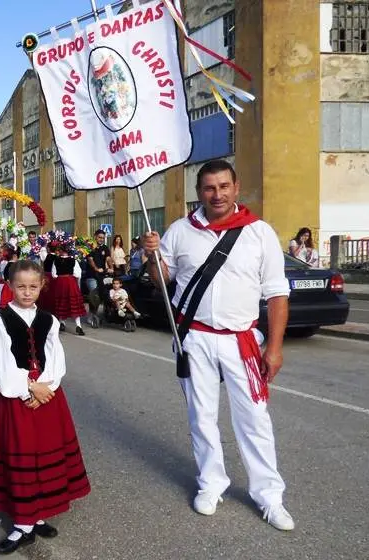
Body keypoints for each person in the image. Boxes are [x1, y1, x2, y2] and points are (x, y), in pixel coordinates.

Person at [143, 159, 294, 531]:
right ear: (199, 193)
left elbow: (277, 295)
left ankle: (269, 495)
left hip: (243, 341)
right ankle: (211, 483)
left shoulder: (259, 233)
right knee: (202, 416)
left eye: (223, 186)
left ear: (236, 187)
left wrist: (273, 348)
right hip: (194, 338)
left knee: (254, 419)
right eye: (209, 188)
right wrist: (152, 256)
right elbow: (162, 280)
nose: (217, 194)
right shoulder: (180, 231)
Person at [0, 260, 90, 555]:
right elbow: (0, 367)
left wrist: (47, 388)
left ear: (42, 285)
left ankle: (37, 513)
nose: (27, 292)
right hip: (15, 399)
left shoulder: (49, 320)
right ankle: (22, 525)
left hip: (48, 399)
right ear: (10, 287)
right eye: (21, 286)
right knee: (22, 454)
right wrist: (30, 387)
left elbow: (56, 359)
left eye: (33, 286)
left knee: (43, 453)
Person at [47, 242, 86, 335]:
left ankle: (62, 323)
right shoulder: (73, 260)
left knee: (62, 302)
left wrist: (60, 276)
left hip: (60, 282)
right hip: (70, 281)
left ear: (60, 251)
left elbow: (54, 275)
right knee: (74, 303)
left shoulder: (55, 260)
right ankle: (78, 325)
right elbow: (78, 274)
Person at [84, 230, 111, 320]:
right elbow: (90, 260)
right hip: (91, 275)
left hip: (101, 275)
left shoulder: (105, 248)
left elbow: (108, 259)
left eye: (103, 238)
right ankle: (91, 315)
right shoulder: (90, 247)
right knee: (94, 294)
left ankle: (94, 314)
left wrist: (111, 267)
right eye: (100, 237)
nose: (101, 239)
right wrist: (96, 268)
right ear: (95, 237)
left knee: (102, 294)